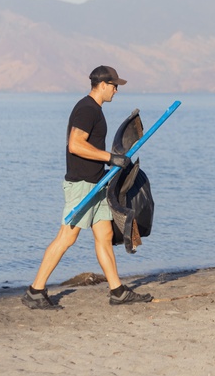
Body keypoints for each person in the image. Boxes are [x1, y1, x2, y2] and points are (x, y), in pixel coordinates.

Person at [22, 65, 153, 309]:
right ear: (103, 85)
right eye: (114, 86)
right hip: (81, 186)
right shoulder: (87, 110)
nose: (116, 90)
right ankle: (35, 290)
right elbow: (75, 145)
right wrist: (110, 158)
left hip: (96, 184)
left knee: (103, 236)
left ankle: (117, 291)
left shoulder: (95, 110)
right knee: (66, 238)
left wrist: (108, 165)